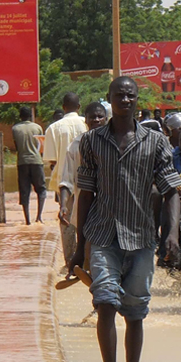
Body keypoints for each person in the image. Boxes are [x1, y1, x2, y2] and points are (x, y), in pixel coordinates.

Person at [69, 76, 181, 362]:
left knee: (134, 314)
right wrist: (79, 245)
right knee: (105, 303)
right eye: (119, 95)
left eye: (131, 96)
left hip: (142, 237)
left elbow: (171, 190)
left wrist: (172, 234)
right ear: (109, 99)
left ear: (137, 99)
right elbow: (85, 193)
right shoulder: (91, 141)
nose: (126, 100)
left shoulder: (156, 142)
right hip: (103, 235)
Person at [58, 102, 108, 267]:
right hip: (85, 206)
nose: (96, 119)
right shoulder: (76, 146)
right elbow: (66, 179)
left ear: (106, 119)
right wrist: (64, 205)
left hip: (110, 207)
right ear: (85, 120)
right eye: (92, 117)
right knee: (87, 249)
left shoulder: (116, 144)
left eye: (100, 116)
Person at [43, 92, 86, 193]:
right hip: (86, 180)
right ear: (79, 107)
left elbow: (52, 159)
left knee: (66, 208)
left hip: (64, 182)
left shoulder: (53, 128)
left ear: (63, 107)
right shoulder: (87, 123)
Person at [11, 107, 46, 225]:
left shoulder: (15, 129)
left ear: (20, 116)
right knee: (41, 189)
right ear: (31, 116)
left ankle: (27, 221)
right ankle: (39, 217)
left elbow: (16, 146)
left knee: (24, 191)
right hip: (37, 162)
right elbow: (41, 146)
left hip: (22, 162)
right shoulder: (37, 127)